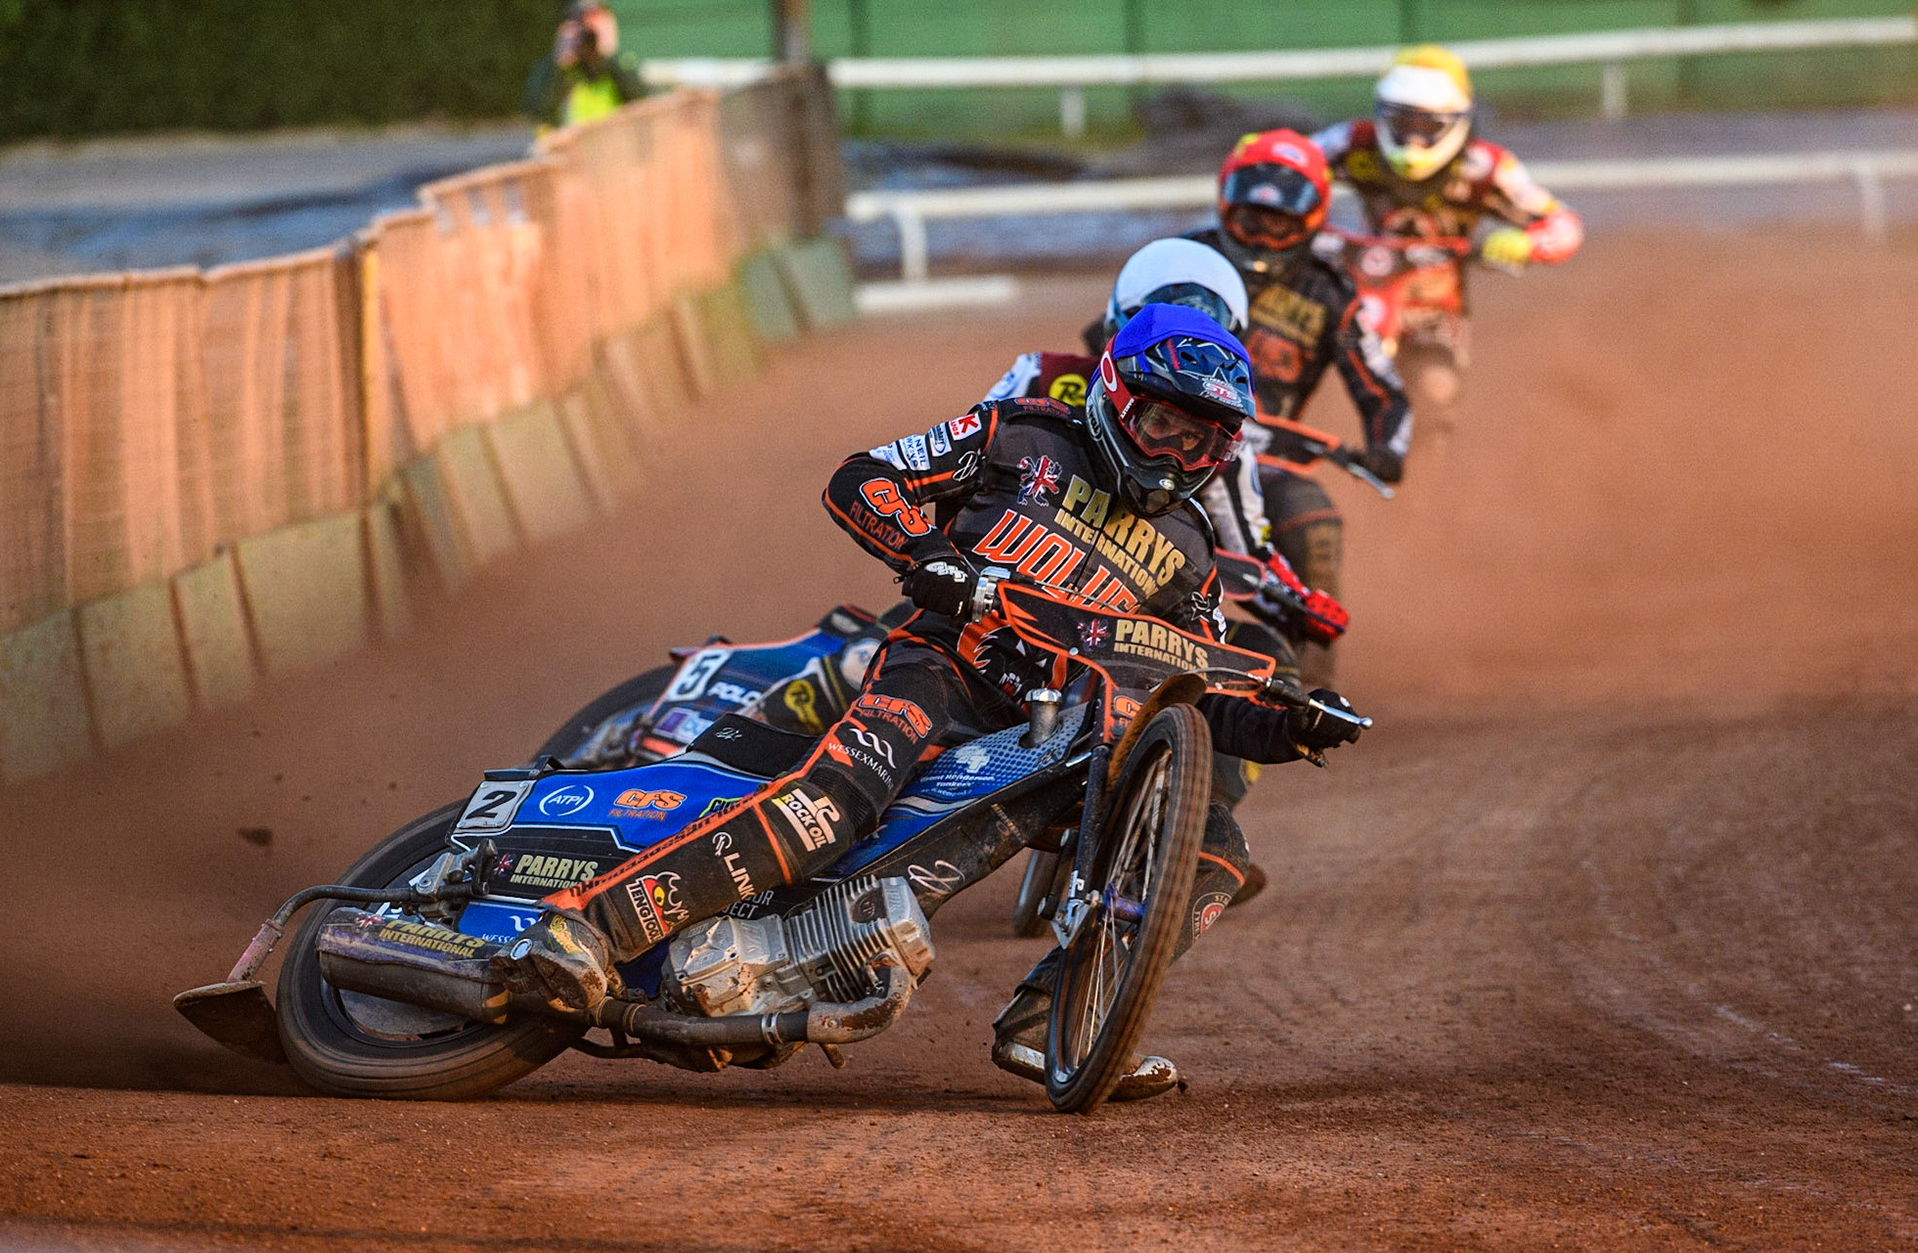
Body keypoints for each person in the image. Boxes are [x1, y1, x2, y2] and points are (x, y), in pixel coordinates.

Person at [492, 306, 1363, 1099]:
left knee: (1217, 850)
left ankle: (1051, 1021)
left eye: (1200, 444)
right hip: (942, 669)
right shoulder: (1019, 438)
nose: (1175, 454)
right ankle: (589, 927)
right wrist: (926, 555)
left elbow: (1201, 694)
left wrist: (1291, 721)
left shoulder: (1190, 552)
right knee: (835, 804)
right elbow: (863, 477)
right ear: (1113, 395)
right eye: (1162, 424)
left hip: (1059, 732)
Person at [988, 237, 1349, 819]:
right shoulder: (1040, 376)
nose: (1186, 350)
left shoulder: (1226, 433)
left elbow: (1247, 541)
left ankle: (1197, 818)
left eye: (1205, 329)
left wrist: (1301, 601)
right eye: (1167, 321)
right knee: (894, 644)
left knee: (1257, 658)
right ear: (1120, 323)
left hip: (1140, 612)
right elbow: (966, 469)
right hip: (1011, 587)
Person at [1184, 129, 1412, 683]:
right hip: (1163, 440)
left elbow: (1384, 390)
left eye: (1279, 223)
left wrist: (1385, 448)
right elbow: (1106, 338)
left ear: (1311, 222)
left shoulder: (1331, 291)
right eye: (1250, 220)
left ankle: (1311, 692)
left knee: (1316, 524)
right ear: (1224, 207)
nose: (1262, 236)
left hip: (1264, 462)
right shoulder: (1183, 260)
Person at [1312, 45, 1584, 429]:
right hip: (1355, 288)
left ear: (1457, 122)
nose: (1413, 140)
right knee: (1306, 372)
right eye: (1401, 124)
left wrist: (1525, 243)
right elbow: (1287, 163)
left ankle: (1433, 477)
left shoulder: (1486, 167)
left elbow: (1564, 225)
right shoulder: (1354, 143)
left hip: (1434, 307)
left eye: (1428, 127)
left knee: (1437, 393)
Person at [523, 1, 647, 130]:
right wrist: (560, 64)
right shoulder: (555, 69)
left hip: (610, 144)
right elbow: (537, 111)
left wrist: (609, 54)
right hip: (569, 146)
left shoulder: (620, 65)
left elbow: (641, 104)